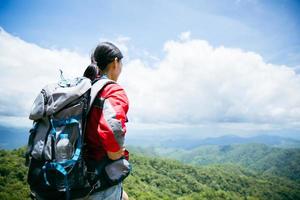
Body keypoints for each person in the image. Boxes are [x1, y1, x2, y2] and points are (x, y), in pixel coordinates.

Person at [83, 42, 130, 200]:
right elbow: (112, 139)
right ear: (116, 62)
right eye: (121, 63)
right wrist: (119, 155)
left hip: (73, 175)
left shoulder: (85, 88)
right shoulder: (112, 90)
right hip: (97, 180)